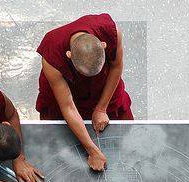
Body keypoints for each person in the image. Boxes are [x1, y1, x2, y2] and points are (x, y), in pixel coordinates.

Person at [36, 14, 133, 172]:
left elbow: (115, 68)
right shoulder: (51, 55)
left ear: (103, 45)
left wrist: (101, 108)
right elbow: (68, 107)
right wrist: (93, 151)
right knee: (61, 140)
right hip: (67, 88)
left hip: (103, 84)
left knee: (127, 138)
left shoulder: (112, 32)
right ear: (69, 55)